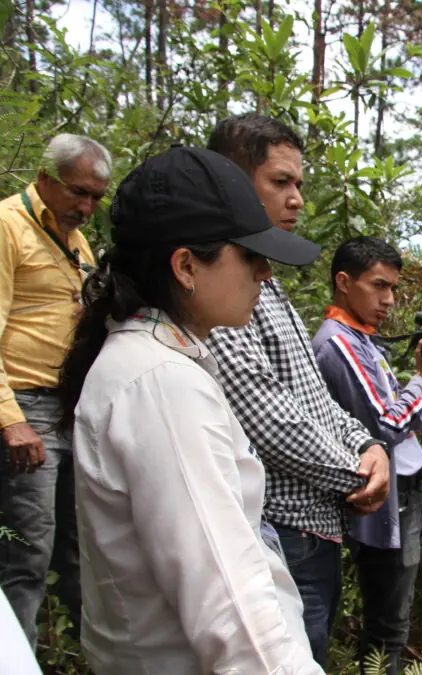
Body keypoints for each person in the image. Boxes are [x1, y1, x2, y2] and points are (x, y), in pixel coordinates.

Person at [55, 146, 325, 673]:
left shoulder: (157, 361)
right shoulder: (162, 384)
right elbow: (231, 605)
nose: (265, 275)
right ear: (186, 266)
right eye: (250, 256)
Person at [205, 113, 391, 666]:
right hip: (280, 529)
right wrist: (357, 473)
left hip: (316, 529)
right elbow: (266, 414)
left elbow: (312, 396)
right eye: (280, 183)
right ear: (236, 183)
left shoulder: (267, 277)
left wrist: (368, 445)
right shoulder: (217, 282)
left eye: (299, 184)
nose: (297, 200)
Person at [311, 236, 422, 672]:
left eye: (393, 289)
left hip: (404, 494)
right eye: (378, 286)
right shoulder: (338, 344)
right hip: (387, 501)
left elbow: (409, 423)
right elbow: (387, 426)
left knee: (392, 621)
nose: (389, 300)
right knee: (389, 627)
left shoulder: (363, 339)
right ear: (344, 282)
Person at [0, 133, 111, 648]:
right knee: (27, 554)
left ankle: (94, 656)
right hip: (25, 405)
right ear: (45, 179)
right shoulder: (7, 225)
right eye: (78, 192)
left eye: (96, 197)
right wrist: (11, 419)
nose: (86, 207)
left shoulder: (75, 240)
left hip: (68, 409)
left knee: (78, 546)